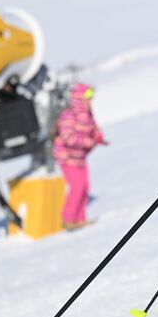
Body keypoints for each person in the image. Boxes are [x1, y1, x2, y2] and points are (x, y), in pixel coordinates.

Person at [53, 83, 106, 228]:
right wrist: (88, 142)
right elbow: (67, 138)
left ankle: (80, 219)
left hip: (80, 158)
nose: (90, 100)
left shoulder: (88, 115)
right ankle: (68, 219)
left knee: (84, 187)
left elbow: (93, 129)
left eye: (91, 97)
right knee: (77, 187)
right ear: (79, 98)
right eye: (87, 96)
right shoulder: (69, 115)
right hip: (67, 158)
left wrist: (98, 137)